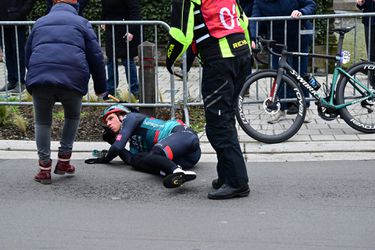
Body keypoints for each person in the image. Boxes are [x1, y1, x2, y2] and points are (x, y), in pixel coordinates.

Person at [166, 0, 251, 199]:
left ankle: (238, 183)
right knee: (225, 118)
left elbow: (180, 36)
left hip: (221, 61)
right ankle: (226, 175)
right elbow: (243, 22)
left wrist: (170, 62)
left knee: (218, 124)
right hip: (242, 55)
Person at [25, 0, 107, 184]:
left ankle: (44, 169)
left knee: (42, 122)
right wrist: (101, 87)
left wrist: (34, 71)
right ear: (75, 4)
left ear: (53, 2)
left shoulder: (40, 22)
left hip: (41, 79)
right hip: (72, 78)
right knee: (72, 117)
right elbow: (96, 56)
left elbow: (28, 53)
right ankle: (64, 162)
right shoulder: (82, 23)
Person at [84, 104, 201, 188]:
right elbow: (130, 159)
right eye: (106, 122)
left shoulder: (131, 117)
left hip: (186, 138)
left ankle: (176, 171)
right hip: (183, 159)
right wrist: (112, 142)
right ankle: (170, 173)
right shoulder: (134, 141)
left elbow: (118, 147)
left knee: (155, 151)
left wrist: (105, 158)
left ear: (121, 115)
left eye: (110, 118)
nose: (108, 123)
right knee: (137, 159)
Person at [250, 0, 316, 123]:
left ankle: (305, 108)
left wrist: (301, 12)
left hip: (299, 39)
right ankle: (281, 109)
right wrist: (253, 38)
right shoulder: (260, 2)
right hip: (278, 42)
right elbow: (255, 19)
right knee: (279, 75)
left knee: (301, 74)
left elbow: (311, 4)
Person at [101, 0, 141, 98]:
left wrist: (131, 30)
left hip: (125, 30)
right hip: (111, 30)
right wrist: (103, 20)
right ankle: (110, 90)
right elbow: (104, 8)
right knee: (111, 61)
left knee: (128, 60)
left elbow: (134, 11)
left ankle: (135, 90)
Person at [0, 0, 35, 94]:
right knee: (7, 52)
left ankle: (20, 81)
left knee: (19, 52)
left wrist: (20, 14)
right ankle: (12, 80)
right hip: (3, 21)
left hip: (17, 20)